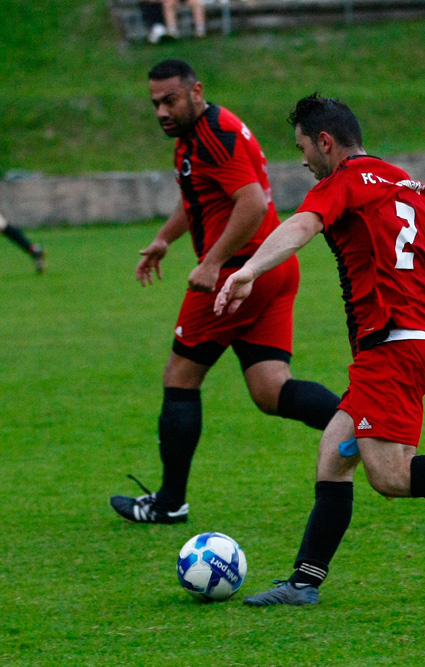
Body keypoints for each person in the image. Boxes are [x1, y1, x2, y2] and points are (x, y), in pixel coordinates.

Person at [213, 94, 425, 606]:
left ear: (325, 142)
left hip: (390, 345)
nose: (303, 160)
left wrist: (249, 269)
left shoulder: (343, 183)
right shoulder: (413, 186)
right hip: (414, 342)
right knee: (334, 452)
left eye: (303, 147)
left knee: (391, 476)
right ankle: (303, 585)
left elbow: (302, 226)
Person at [110, 61, 341, 525]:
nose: (161, 111)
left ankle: (170, 502)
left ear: (196, 91)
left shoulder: (215, 132)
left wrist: (213, 262)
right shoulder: (194, 138)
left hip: (237, 275)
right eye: (154, 102)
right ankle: (374, 425)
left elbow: (251, 202)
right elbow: (199, 197)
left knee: (179, 377)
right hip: (270, 270)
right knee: (271, 390)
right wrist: (164, 240)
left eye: (170, 100)